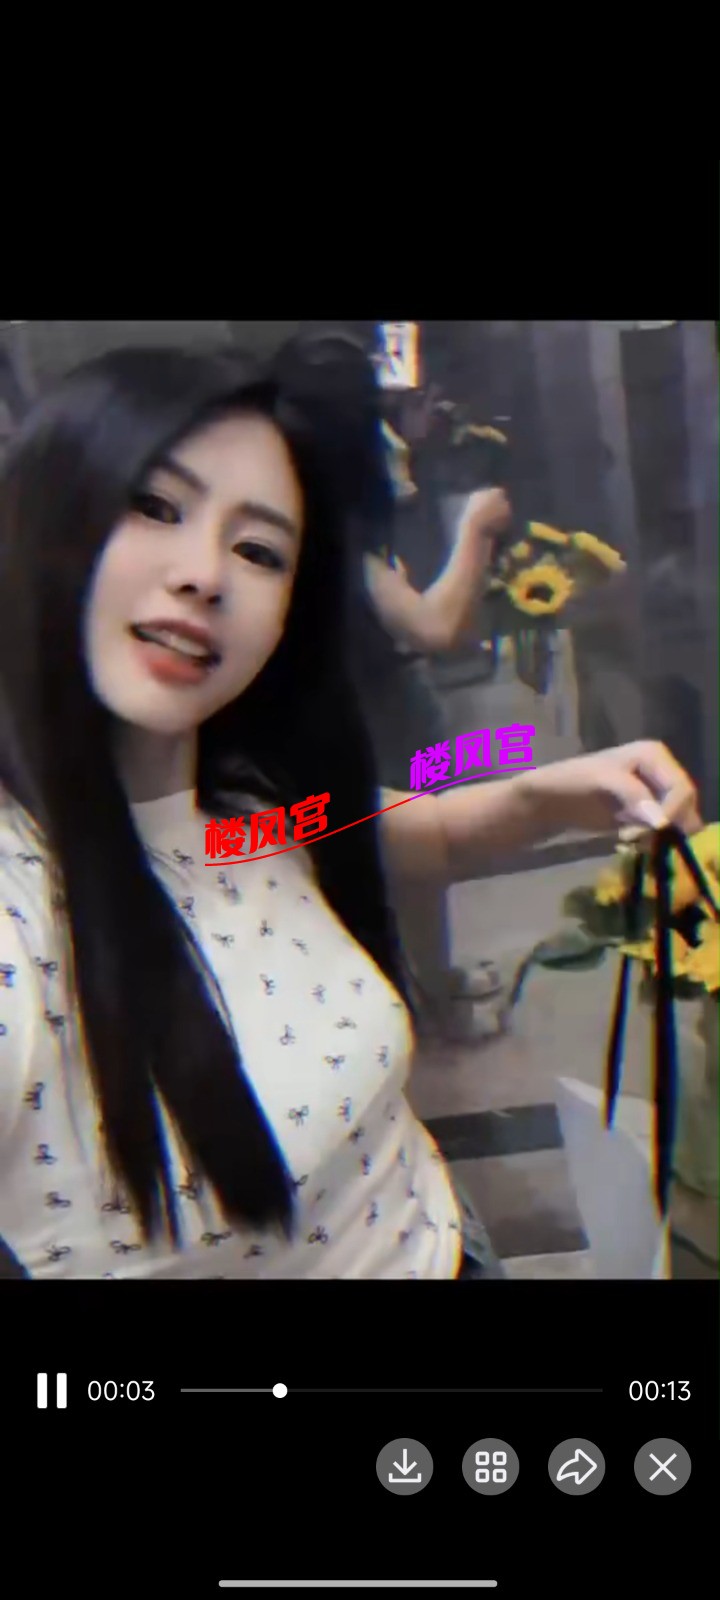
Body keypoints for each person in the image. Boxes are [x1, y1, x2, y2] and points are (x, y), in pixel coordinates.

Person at [0, 346, 701, 1281]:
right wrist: (476, 537)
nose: (204, 573)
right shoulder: (17, 915)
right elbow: (438, 628)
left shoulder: (241, 811)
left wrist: (550, 792)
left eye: (258, 551)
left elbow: (419, 832)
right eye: (156, 507)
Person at [273, 330, 513, 1041]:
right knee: (416, 863)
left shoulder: (300, 511)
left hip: (353, 717)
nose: (396, 435)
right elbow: (436, 627)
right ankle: (429, 1004)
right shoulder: (338, 530)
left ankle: (426, 986)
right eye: (380, 416)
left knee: (402, 867)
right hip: (376, 723)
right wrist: (476, 530)